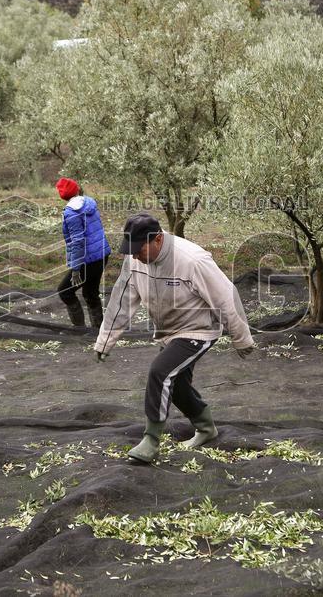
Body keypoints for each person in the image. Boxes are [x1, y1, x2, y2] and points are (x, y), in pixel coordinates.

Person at [94, 212, 255, 464]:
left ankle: (151, 440)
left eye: (139, 249)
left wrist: (241, 337)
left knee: (160, 371)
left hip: (198, 329)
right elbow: (122, 299)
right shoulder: (135, 260)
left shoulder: (192, 260)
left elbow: (225, 296)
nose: (135, 255)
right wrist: (106, 339)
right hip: (169, 332)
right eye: (131, 249)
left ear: (158, 239)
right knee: (177, 384)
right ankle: (206, 428)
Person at [56, 177, 111, 329]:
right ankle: (98, 331)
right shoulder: (89, 202)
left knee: (64, 291)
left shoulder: (71, 213)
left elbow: (78, 241)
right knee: (90, 292)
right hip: (101, 253)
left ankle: (79, 329)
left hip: (88, 258)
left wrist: (75, 270)